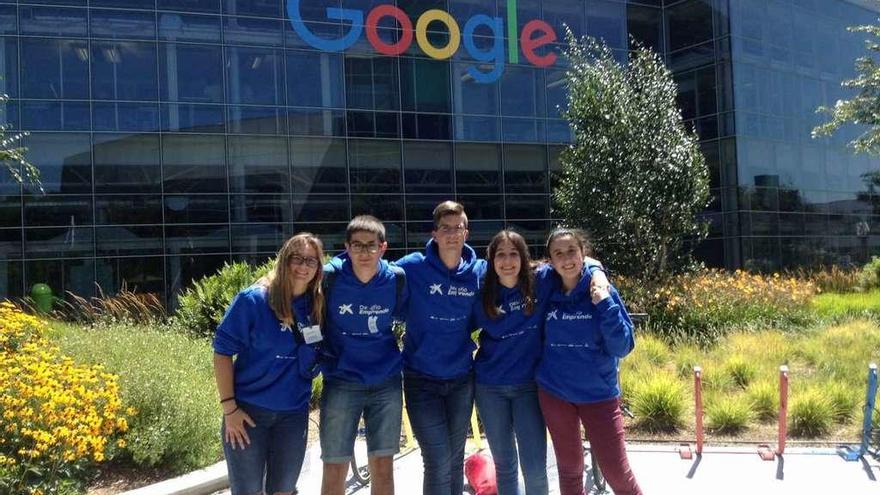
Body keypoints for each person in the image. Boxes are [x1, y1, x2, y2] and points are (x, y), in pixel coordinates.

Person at [213, 233, 326, 495]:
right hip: (248, 415)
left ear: (318, 268)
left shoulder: (316, 304)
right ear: (284, 260)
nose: (303, 266)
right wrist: (229, 410)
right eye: (296, 258)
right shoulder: (253, 300)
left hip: (293, 415)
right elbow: (221, 353)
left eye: (311, 260)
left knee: (284, 490)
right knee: (248, 491)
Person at [537, 227, 642, 495]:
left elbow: (622, 346)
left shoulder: (601, 289)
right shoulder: (546, 287)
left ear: (584, 253)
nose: (566, 258)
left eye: (572, 251)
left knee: (617, 473)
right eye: (558, 253)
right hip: (556, 393)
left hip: (599, 395)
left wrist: (604, 302)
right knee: (570, 470)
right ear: (550, 260)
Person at [395, 200, 487, 495]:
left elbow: (527, 269)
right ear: (434, 233)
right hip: (421, 378)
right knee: (436, 459)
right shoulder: (412, 267)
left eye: (457, 227)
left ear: (466, 232)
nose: (451, 234)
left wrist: (593, 264)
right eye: (444, 228)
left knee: (455, 456)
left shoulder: (479, 272)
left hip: (461, 378)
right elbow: (370, 269)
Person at [320, 215, 407, 495]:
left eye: (371, 245)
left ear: (383, 247)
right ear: (346, 247)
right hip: (341, 380)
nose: (364, 252)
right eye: (357, 245)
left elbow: (408, 316)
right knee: (335, 467)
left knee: (383, 468)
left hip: (386, 382)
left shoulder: (395, 279)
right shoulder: (330, 277)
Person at [471, 230, 549, 495]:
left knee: (535, 466)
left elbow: (581, 263)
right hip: (490, 387)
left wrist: (597, 272)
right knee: (504, 466)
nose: (507, 261)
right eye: (500, 255)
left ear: (523, 257)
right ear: (491, 261)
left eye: (513, 254)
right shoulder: (481, 292)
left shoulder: (541, 281)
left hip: (528, 386)